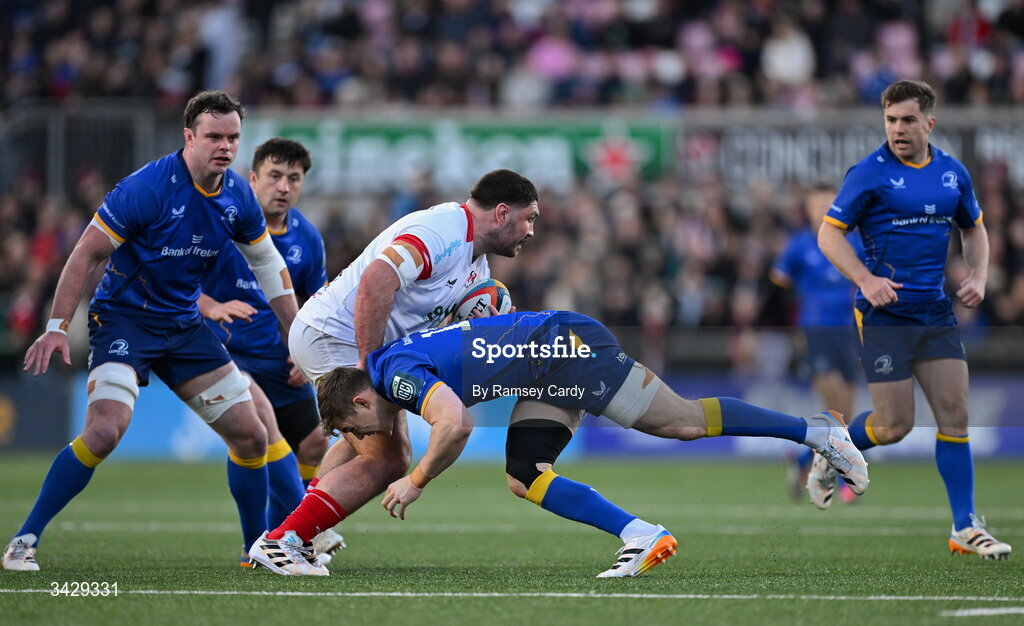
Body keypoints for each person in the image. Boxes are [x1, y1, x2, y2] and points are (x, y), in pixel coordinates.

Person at [247, 310, 869, 576]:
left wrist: (415, 480)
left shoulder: (392, 376)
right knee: (525, 472)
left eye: (358, 432)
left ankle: (817, 431)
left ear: (360, 401)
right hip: (547, 360)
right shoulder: (389, 366)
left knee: (678, 422)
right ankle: (643, 535)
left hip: (566, 350)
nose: (368, 440)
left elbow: (454, 422)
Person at [3, 91, 299, 572]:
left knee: (250, 435)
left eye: (233, 138)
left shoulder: (238, 195)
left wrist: (295, 335)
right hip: (125, 320)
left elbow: (268, 264)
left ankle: (255, 550)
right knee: (104, 431)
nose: (224, 146)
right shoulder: (146, 188)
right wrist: (56, 326)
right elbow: (86, 254)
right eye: (214, 137)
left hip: (183, 324)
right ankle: (24, 540)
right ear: (188, 136)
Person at [286, 169, 539, 555]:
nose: (532, 231)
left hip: (353, 341)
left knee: (371, 447)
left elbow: (443, 327)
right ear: (503, 213)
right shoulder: (440, 231)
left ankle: (303, 534)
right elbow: (377, 279)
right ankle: (286, 541)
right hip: (336, 336)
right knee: (388, 459)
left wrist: (483, 329)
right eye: (530, 218)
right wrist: (368, 368)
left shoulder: (477, 265)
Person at [816, 79, 1011, 559]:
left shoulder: (952, 173)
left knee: (955, 414)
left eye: (907, 120)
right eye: (890, 120)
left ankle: (964, 527)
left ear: (930, 122)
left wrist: (980, 275)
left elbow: (975, 227)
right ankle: (831, 449)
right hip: (885, 316)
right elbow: (829, 235)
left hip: (936, 312)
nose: (897, 129)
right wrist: (864, 280)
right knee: (894, 426)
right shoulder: (869, 173)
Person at [198, 137, 339, 566]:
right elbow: (182, 285)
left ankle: (280, 537)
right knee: (255, 440)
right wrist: (215, 307)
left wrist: (305, 354)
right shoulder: (224, 228)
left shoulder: (307, 238)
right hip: (230, 359)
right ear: (253, 178)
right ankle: (274, 539)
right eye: (275, 176)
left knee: (316, 443)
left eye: (293, 179)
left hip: (283, 364)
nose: (283, 186)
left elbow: (316, 306)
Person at [772, 185, 864, 504]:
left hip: (847, 332)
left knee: (845, 415)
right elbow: (778, 278)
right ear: (808, 211)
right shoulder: (799, 245)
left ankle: (800, 461)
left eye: (829, 203)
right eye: (817, 205)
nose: (823, 209)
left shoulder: (852, 241)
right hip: (815, 331)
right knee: (835, 405)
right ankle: (842, 481)